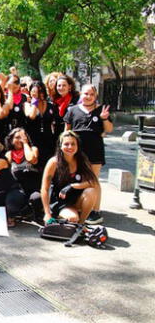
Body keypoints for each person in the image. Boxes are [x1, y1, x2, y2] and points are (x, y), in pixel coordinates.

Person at [63, 84, 112, 224]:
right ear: (80, 94)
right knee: (78, 179)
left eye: (91, 94)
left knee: (93, 180)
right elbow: (66, 131)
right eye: (85, 93)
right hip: (76, 152)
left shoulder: (101, 110)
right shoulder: (72, 110)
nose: (88, 96)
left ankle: (95, 211)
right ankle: (81, 205)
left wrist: (104, 119)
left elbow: (108, 129)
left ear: (95, 96)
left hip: (95, 151)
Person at [37, 131, 100, 224]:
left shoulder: (82, 159)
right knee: (73, 218)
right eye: (66, 144)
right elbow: (44, 189)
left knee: (92, 191)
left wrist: (73, 186)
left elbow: (93, 182)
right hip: (61, 202)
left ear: (77, 146)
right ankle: (68, 218)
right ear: (60, 146)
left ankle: (81, 224)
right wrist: (47, 213)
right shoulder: (54, 162)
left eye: (73, 144)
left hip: (77, 199)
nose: (70, 147)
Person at [5, 128, 42, 221]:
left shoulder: (33, 149)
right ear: (11, 140)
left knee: (36, 199)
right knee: (11, 205)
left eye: (23, 137)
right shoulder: (9, 154)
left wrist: (25, 143)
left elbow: (31, 159)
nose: (20, 140)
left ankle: (34, 213)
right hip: (18, 188)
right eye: (17, 137)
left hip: (33, 187)